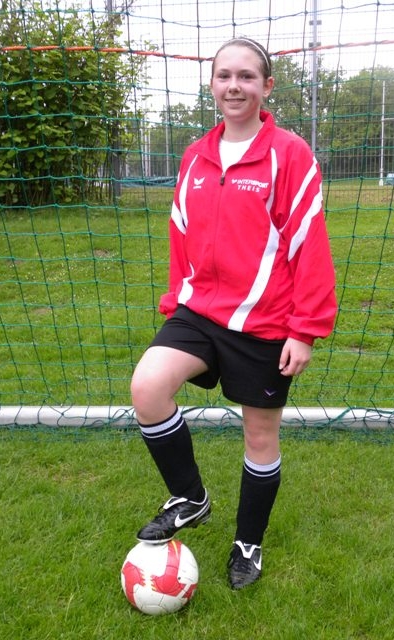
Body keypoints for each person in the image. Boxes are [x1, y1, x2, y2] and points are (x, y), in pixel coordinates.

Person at [130, 36, 337, 590]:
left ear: (267, 86)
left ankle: (248, 542)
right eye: (224, 76)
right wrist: (176, 302)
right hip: (199, 311)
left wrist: (306, 330)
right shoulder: (195, 156)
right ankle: (190, 497)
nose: (234, 86)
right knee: (148, 386)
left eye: (247, 76)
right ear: (212, 84)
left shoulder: (289, 154)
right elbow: (180, 233)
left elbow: (309, 244)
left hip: (265, 322)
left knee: (260, 438)